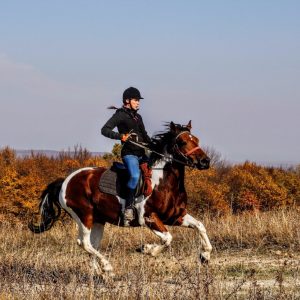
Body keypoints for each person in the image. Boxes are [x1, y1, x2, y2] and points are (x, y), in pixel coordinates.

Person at [101, 87, 152, 226]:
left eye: (138, 100)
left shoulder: (138, 117)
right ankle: (128, 208)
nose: (138, 102)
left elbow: (145, 135)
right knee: (135, 176)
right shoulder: (120, 115)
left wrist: (154, 145)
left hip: (142, 154)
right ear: (127, 101)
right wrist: (120, 136)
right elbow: (104, 130)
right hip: (129, 154)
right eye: (136, 100)